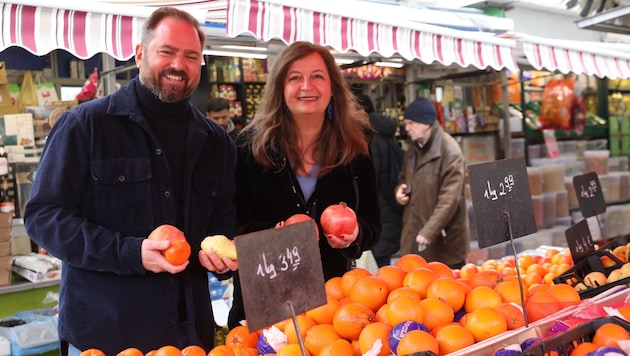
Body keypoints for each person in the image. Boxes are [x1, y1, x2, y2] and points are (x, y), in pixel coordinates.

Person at [23, 7, 238, 355]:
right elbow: (44, 217)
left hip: (188, 339)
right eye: (166, 52)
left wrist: (223, 257)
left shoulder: (217, 143)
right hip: (104, 336)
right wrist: (131, 253)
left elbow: (223, 224)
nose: (178, 65)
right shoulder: (85, 126)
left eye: (191, 56)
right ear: (140, 54)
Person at [228, 41, 381, 329]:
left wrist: (355, 233)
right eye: (295, 77)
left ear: (332, 86)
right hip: (266, 305)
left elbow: (373, 221)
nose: (306, 86)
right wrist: (271, 238)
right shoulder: (250, 147)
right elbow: (231, 222)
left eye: (317, 76)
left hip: (333, 309)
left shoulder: (356, 146)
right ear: (280, 88)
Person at [394, 97, 469, 269]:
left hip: (443, 241)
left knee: (445, 290)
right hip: (415, 233)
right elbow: (404, 178)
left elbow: (450, 199)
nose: (407, 128)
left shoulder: (450, 152)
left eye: (411, 123)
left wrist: (429, 231)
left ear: (426, 124)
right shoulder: (413, 149)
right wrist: (400, 191)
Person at [368, 111, 404, 267]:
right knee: (385, 270)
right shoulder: (390, 142)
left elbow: (370, 185)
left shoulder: (371, 144)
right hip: (390, 213)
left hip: (378, 217)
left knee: (377, 274)